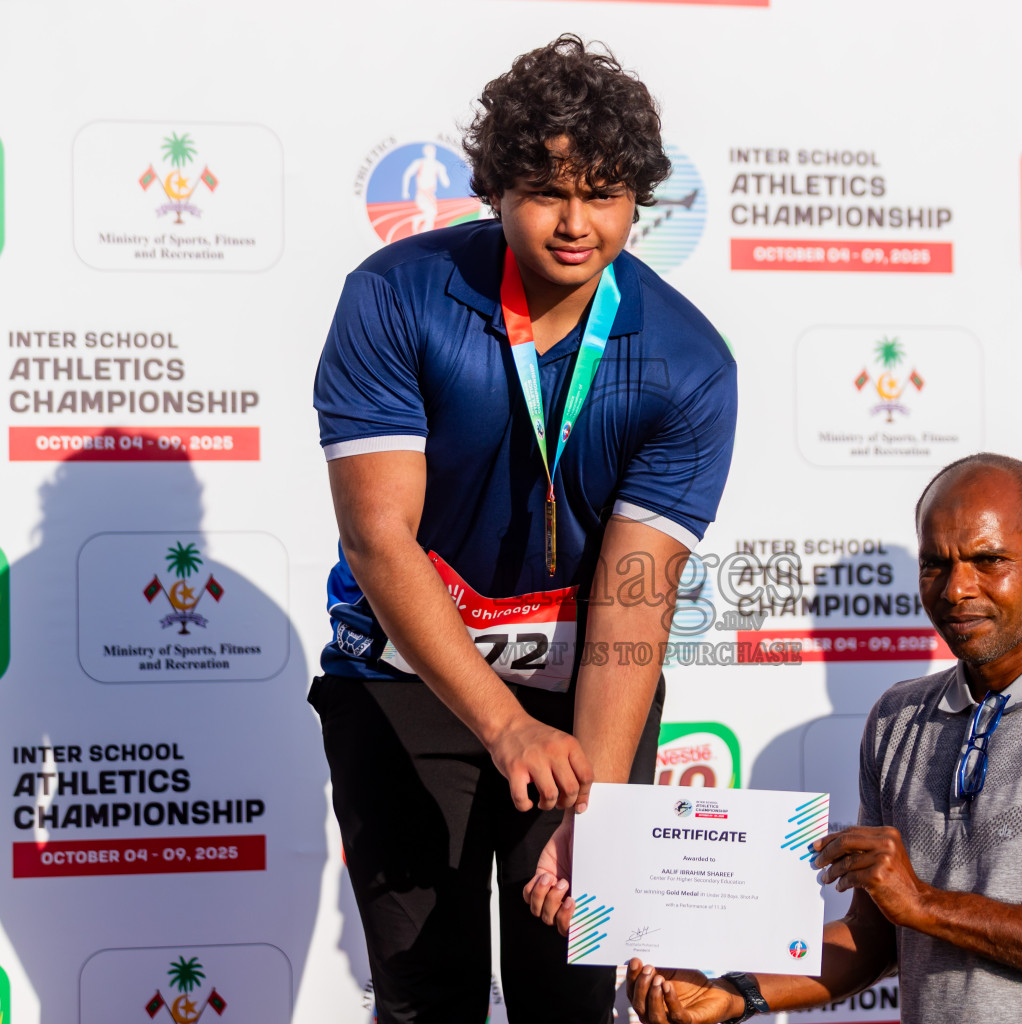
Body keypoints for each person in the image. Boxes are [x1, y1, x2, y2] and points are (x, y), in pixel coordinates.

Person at [310, 34, 737, 1024]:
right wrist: (501, 725)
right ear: (496, 189)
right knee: (428, 996)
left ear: (638, 199)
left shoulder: (688, 363)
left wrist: (590, 807)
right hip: (404, 679)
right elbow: (380, 539)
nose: (578, 223)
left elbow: (634, 601)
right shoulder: (394, 296)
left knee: (569, 993)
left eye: (606, 193)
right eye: (548, 191)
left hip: (587, 691)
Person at [625, 453, 1022, 1023]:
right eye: (935, 564)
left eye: (988, 560)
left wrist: (925, 904)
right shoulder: (898, 720)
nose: (956, 588)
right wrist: (735, 993)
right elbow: (873, 938)